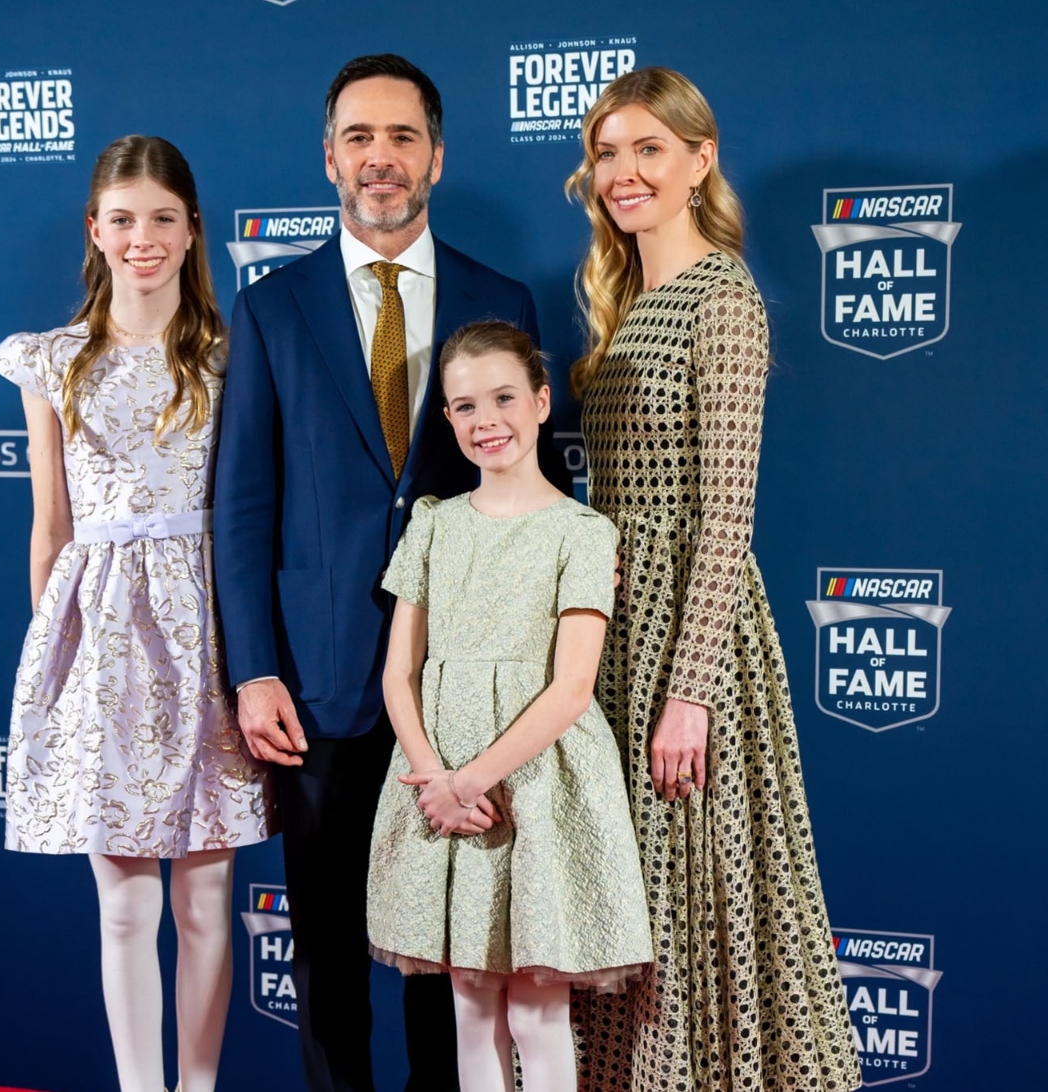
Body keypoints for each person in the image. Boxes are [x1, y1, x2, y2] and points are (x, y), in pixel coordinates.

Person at [213, 54, 569, 1092]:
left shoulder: (501, 301)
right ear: (329, 157)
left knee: (446, 958)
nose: (381, 159)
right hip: (317, 686)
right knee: (325, 946)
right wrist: (253, 670)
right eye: (360, 138)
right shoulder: (271, 309)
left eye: (402, 138)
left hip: (465, 682)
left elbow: (527, 491)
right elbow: (241, 505)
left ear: (438, 158)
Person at [566, 69, 861, 1092]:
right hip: (608, 632)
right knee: (622, 890)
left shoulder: (723, 296)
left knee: (686, 884)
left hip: (689, 641)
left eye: (649, 149)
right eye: (608, 152)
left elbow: (726, 512)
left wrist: (688, 691)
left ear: (701, 160)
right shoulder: (625, 295)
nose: (624, 172)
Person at [0, 135, 274, 1092]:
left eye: (162, 218)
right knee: (120, 907)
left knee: (205, 901)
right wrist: (50, 662)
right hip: (98, 640)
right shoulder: (54, 361)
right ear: (94, 230)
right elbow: (50, 526)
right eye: (122, 219)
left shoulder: (233, 358)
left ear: (194, 230)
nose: (142, 238)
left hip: (206, 636)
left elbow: (245, 520)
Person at [366, 321, 652, 1092]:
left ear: (540, 401)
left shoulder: (583, 533)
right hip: (438, 787)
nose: (484, 420)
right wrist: (435, 778)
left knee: (534, 1007)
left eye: (501, 398)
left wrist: (471, 781)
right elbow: (400, 675)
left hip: (538, 787)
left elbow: (570, 690)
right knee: (470, 996)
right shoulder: (433, 525)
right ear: (449, 420)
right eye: (464, 407)